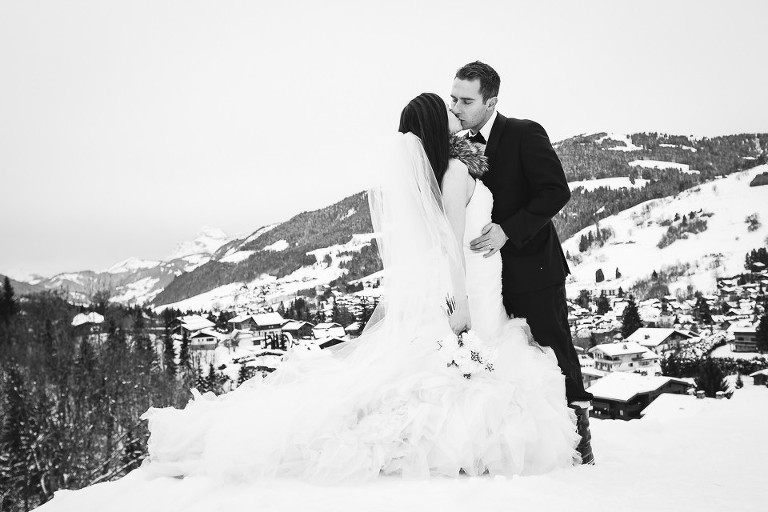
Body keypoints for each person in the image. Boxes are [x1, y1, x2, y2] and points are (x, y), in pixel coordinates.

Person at [140, 93, 580, 483]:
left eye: (460, 102)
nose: (456, 110)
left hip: (489, 280)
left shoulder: (450, 166)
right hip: (472, 285)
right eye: (449, 105)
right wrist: (461, 300)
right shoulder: (455, 174)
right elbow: (451, 246)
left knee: (472, 366)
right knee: (475, 371)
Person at [450, 61, 595, 464]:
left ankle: (580, 441)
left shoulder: (524, 133)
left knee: (554, 349)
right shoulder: (460, 144)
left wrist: (507, 231)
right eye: (453, 98)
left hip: (534, 270)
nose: (456, 106)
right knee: (510, 358)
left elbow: (554, 192)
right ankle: (528, 444)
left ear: (490, 101)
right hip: (486, 278)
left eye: (466, 100)